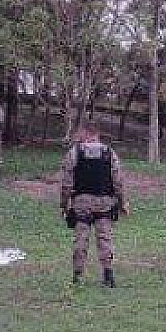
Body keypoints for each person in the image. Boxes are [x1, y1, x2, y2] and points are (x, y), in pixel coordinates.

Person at [60, 122, 129, 287]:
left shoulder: (74, 153)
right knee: (105, 238)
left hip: (81, 203)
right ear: (97, 134)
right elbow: (118, 181)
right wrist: (122, 202)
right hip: (105, 203)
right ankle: (108, 275)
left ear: (85, 133)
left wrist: (64, 204)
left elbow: (67, 183)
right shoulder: (109, 153)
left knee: (80, 239)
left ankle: (77, 276)